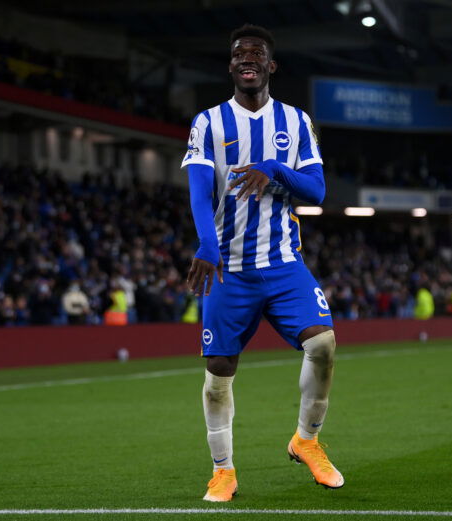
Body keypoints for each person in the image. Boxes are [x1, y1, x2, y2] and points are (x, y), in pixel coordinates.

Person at [183, 24, 342, 502]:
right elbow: (196, 189)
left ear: (270, 66)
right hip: (227, 267)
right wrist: (207, 246)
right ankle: (223, 470)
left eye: (256, 53)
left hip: (281, 262)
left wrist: (273, 168)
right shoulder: (207, 123)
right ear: (231, 66)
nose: (247, 58)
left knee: (324, 346)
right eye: (238, 54)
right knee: (218, 375)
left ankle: (306, 440)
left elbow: (315, 191)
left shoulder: (295, 123)